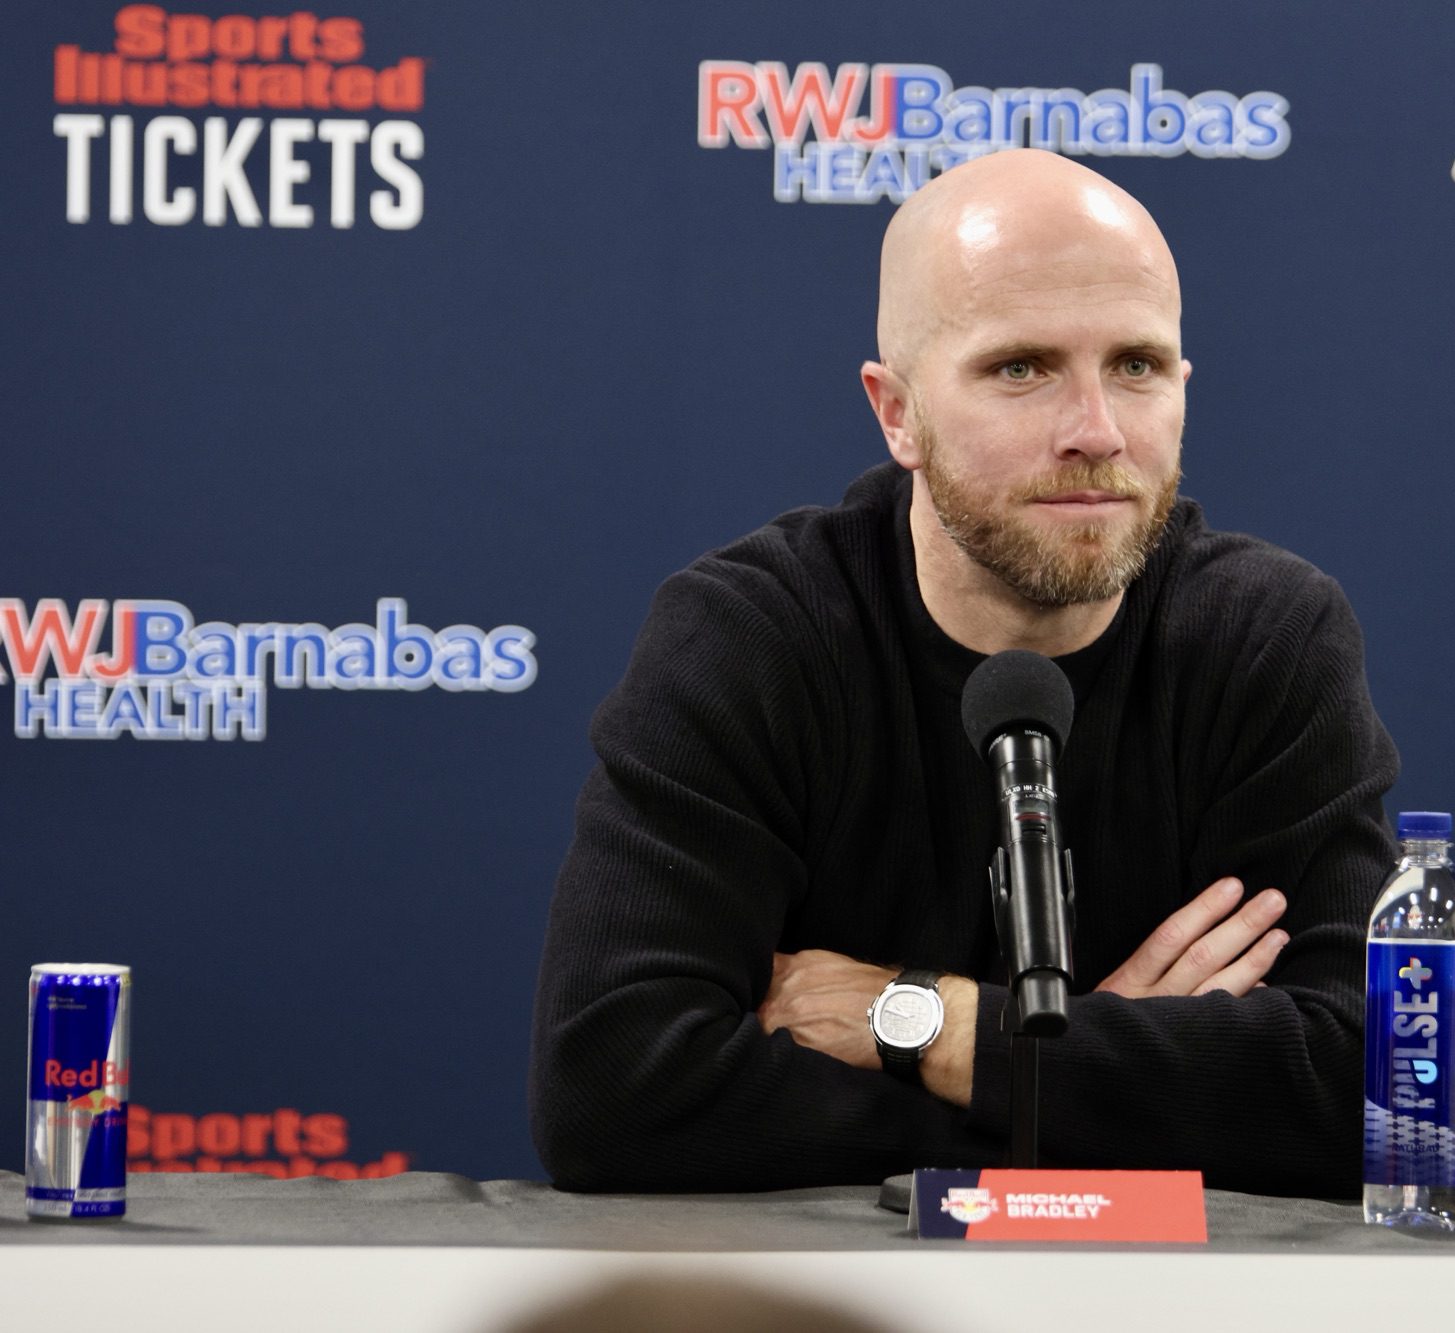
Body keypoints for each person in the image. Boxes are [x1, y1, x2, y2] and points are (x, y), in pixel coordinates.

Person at [529, 148, 1399, 1196]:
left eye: (1136, 365)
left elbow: (1374, 1087)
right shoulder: (750, 637)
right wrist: (1096, 1069)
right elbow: (612, 1092)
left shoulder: (1264, 637)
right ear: (895, 411)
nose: (1096, 431)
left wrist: (937, 1026)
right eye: (1020, 368)